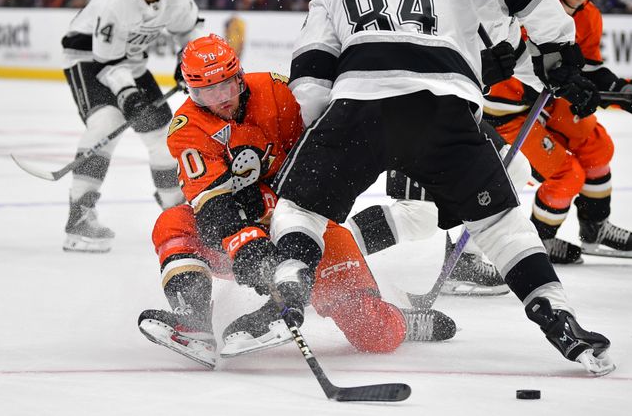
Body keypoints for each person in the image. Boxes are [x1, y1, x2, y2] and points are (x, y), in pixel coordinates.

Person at [268, 0, 614, 375]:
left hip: (360, 109)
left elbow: (310, 74)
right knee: (501, 226)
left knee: (299, 208)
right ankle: (558, 318)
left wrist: (318, 138)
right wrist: (561, 50)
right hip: (443, 113)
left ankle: (290, 279)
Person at [137, 34, 456, 369]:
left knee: (373, 332)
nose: (220, 98)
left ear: (239, 76)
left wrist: (278, 216)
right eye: (205, 92)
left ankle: (402, 322)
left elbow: (328, 157)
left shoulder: (280, 93)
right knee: (174, 222)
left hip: (304, 223)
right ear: (192, 92)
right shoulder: (187, 129)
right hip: (242, 236)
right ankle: (194, 322)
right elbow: (214, 210)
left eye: (226, 85)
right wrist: (251, 250)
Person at [495, 0, 632, 262]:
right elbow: (544, 70)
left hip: (546, 103)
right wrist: (581, 87)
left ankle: (595, 228)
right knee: (567, 174)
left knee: (597, 145)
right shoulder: (534, 5)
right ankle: (539, 242)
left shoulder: (591, 17)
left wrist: (627, 91)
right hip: (512, 110)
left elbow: (590, 70)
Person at [61, 0, 202, 253]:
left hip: (132, 63)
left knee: (165, 138)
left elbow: (190, 28)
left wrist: (189, 59)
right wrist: (128, 95)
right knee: (105, 125)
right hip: (89, 60)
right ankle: (79, 217)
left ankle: (178, 214)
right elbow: (108, 64)